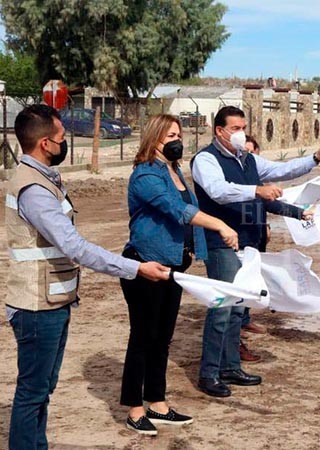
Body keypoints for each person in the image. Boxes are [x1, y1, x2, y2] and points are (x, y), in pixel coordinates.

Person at [4, 104, 170, 450]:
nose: (65, 143)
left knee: (42, 389)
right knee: (33, 392)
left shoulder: (44, 178)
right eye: (62, 137)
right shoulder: (33, 189)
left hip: (52, 299)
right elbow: (74, 247)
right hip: (36, 306)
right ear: (46, 144)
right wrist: (135, 268)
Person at [191, 106, 320, 398]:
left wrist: (314, 159)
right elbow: (218, 191)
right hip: (221, 243)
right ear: (220, 131)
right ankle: (209, 373)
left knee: (238, 307)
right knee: (222, 308)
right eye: (236, 128)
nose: (241, 133)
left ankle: (230, 367)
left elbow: (281, 170)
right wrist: (256, 190)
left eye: (244, 127)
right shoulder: (205, 159)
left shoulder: (248, 159)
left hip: (248, 243)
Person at [119, 115, 240, 436]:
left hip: (173, 267)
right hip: (144, 265)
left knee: (162, 338)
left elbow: (186, 212)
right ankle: (134, 409)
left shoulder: (176, 172)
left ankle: (157, 403)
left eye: (179, 134)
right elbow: (178, 210)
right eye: (170, 135)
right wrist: (220, 225)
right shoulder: (145, 175)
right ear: (154, 138)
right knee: (142, 338)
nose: (177, 140)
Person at [239, 135, 266, 364]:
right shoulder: (239, 184)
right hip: (239, 239)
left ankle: (245, 318)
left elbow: (265, 205)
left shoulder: (257, 177)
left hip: (256, 234)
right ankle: (236, 344)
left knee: (253, 279)